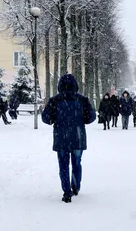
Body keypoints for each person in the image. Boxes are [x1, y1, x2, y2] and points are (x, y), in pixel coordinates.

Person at [41, 74, 96, 203]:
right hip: (77, 136)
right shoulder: (82, 100)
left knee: (63, 165)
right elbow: (91, 117)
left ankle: (66, 191)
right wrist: (81, 119)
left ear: (59, 86)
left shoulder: (55, 100)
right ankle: (76, 186)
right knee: (77, 163)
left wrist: (55, 118)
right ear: (75, 85)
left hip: (61, 137)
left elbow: (46, 118)